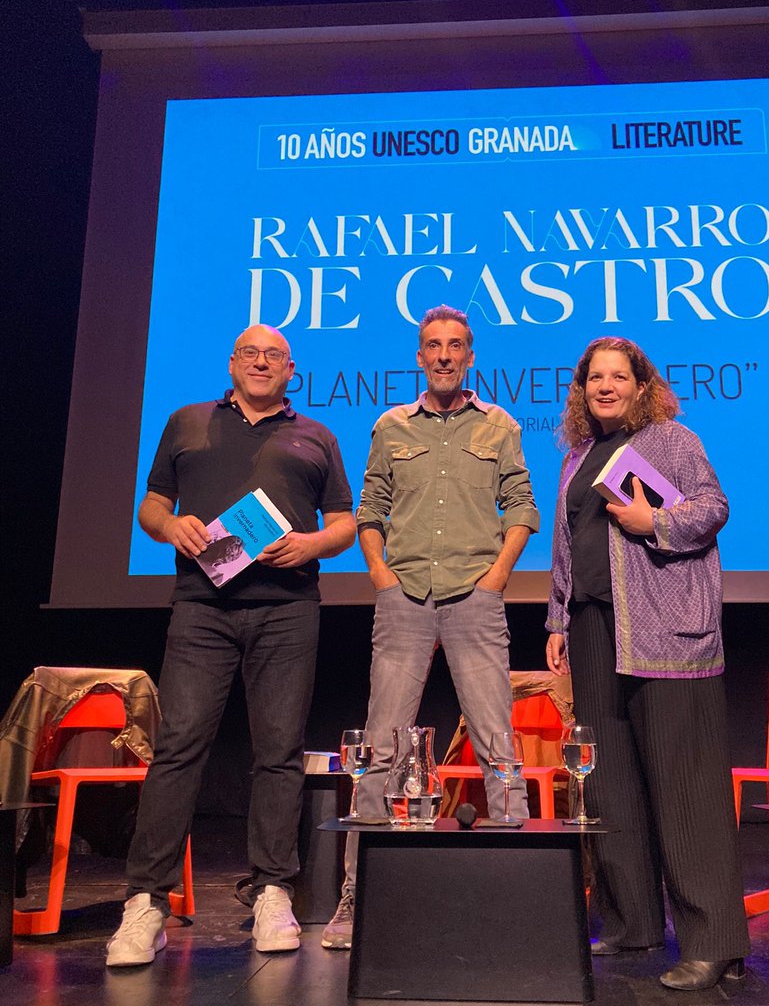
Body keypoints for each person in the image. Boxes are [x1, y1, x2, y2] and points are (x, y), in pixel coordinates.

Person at [106, 324, 356, 967]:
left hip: (287, 610)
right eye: (252, 354)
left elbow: (346, 524)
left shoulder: (317, 436)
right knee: (179, 745)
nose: (262, 363)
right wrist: (171, 526)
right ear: (233, 362)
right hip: (201, 609)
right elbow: (151, 505)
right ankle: (145, 903)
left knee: (278, 752)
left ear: (291, 369)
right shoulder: (187, 422)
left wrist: (311, 545)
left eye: (275, 356)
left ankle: (273, 889)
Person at [321, 305, 540, 950]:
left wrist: (497, 576)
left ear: (470, 356)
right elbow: (371, 509)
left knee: (498, 743)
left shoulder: (498, 425)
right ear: (419, 357)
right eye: (432, 346)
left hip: (475, 595)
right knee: (380, 748)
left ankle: (517, 890)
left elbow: (522, 504)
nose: (444, 355)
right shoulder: (391, 426)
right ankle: (356, 897)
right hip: (404, 597)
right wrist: (380, 573)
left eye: (456, 346)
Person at [545, 336, 749, 991]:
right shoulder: (577, 456)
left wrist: (652, 520)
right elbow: (566, 547)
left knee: (684, 783)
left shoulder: (673, 441)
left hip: (665, 629)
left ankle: (715, 942)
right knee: (609, 781)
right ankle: (632, 925)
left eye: (617, 376)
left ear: (640, 385)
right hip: (592, 627)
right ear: (583, 390)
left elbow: (713, 510)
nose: (605, 386)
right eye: (594, 378)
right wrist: (556, 620)